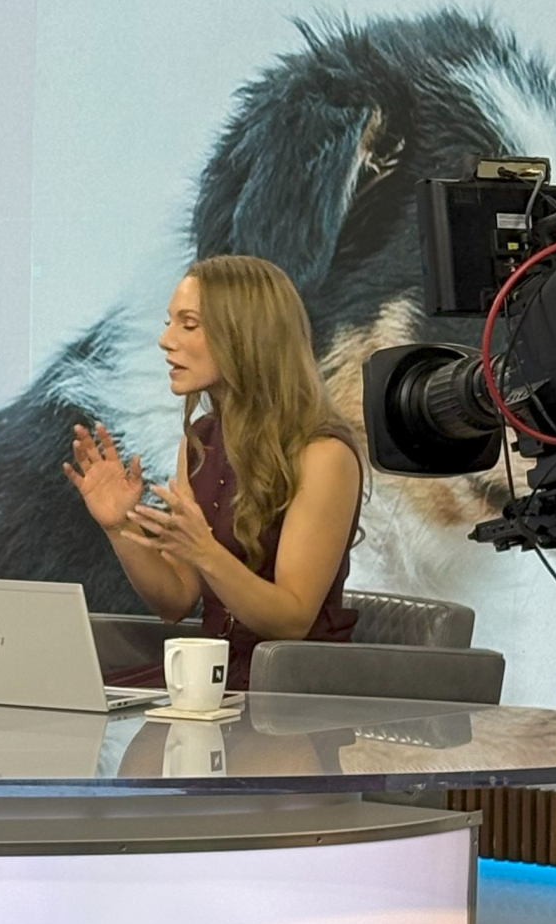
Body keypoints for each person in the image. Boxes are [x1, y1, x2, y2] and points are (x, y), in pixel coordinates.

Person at [63, 254, 364, 685]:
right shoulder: (200, 440)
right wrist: (119, 527)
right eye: (169, 323)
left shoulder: (323, 455)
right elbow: (176, 601)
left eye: (188, 325)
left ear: (246, 336)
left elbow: (292, 619)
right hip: (211, 677)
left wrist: (205, 552)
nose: (165, 340)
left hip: (290, 690)